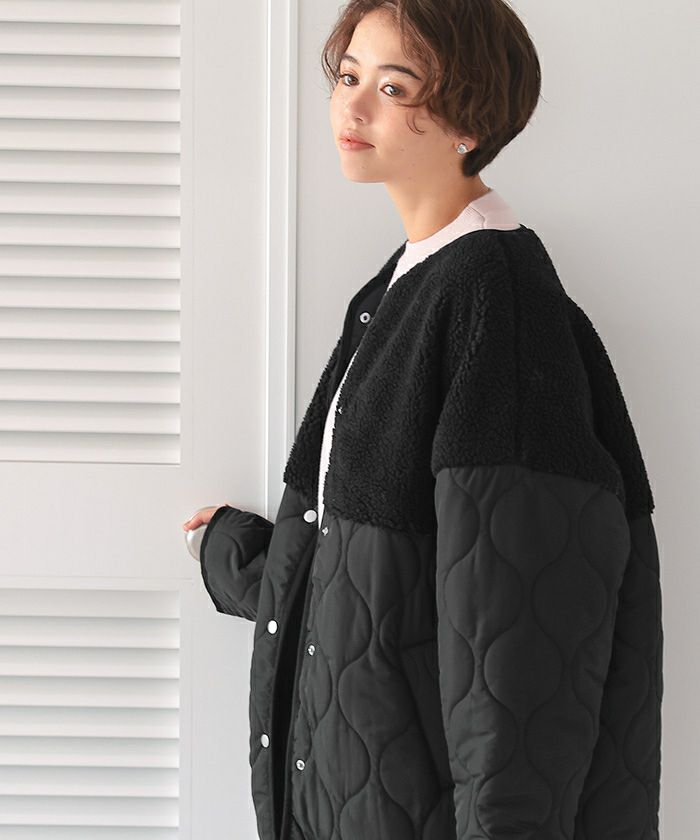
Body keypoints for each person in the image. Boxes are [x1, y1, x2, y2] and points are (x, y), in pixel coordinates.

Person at [185, 2, 663, 839]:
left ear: (471, 119)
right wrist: (235, 555)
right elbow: (378, 593)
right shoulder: (407, 287)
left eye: (393, 87)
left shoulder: (496, 306)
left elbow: (516, 648)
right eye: (348, 76)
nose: (352, 105)